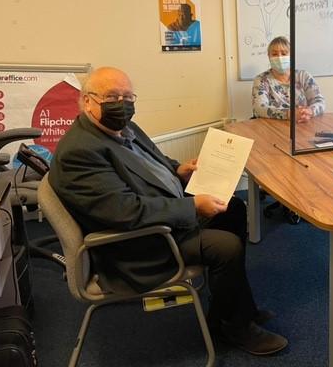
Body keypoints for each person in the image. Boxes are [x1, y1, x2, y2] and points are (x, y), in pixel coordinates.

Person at [49, 67, 287, 356]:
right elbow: (125, 212)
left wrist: (178, 169)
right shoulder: (80, 152)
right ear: (87, 101)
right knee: (226, 247)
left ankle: (234, 308)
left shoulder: (123, 128)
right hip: (139, 242)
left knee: (233, 207)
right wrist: (192, 206)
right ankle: (234, 328)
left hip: (161, 213)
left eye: (127, 96)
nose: (122, 103)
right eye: (112, 96)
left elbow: (153, 159)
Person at [252, 36, 325, 122]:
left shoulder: (303, 76)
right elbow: (259, 108)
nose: (279, 57)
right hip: (272, 128)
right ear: (269, 56)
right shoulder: (261, 80)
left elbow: (319, 101)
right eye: (275, 54)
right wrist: (288, 114)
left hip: (301, 125)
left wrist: (309, 112)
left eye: (284, 53)